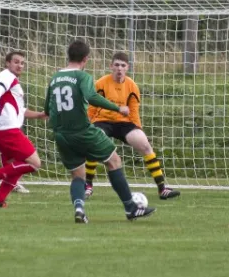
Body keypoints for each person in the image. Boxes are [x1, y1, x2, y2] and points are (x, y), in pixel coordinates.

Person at [44, 40, 156, 223]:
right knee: (114, 161)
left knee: (77, 175)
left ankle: (79, 207)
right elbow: (91, 96)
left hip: (61, 134)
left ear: (68, 55)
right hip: (82, 131)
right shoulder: (83, 77)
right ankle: (131, 208)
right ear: (86, 59)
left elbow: (47, 110)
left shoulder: (55, 78)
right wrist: (117, 108)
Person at [85, 52, 180, 200]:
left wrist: (138, 129)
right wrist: (88, 127)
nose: (119, 68)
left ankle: (162, 189)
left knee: (145, 145)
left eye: (123, 65)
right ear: (111, 66)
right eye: (116, 65)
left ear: (127, 68)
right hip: (102, 121)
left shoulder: (132, 86)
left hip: (124, 123)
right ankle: (88, 186)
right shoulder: (101, 83)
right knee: (94, 143)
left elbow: (134, 112)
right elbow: (91, 108)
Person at [0, 52, 45, 207]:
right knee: (34, 164)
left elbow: (20, 109)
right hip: (7, 131)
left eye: (22, 63)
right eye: (16, 62)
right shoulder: (6, 76)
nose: (19, 65)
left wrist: (39, 115)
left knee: (14, 168)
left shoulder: (11, 82)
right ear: (7, 63)